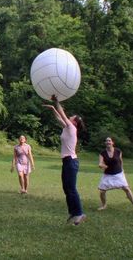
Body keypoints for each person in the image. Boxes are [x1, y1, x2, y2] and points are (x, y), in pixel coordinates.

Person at [43, 95, 86, 225]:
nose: (69, 117)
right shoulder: (67, 128)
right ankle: (73, 213)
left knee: (71, 188)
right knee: (66, 188)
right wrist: (52, 109)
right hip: (67, 162)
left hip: (71, 162)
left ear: (74, 122)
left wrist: (56, 102)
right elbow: (59, 117)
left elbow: (62, 114)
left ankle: (79, 213)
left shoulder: (72, 128)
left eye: (71, 117)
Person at [97, 137, 133, 211]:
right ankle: (104, 205)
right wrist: (102, 165)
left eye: (109, 140)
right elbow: (100, 163)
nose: (108, 142)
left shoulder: (118, 151)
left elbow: (121, 161)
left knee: (126, 189)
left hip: (118, 173)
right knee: (102, 191)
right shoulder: (102, 153)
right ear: (105, 143)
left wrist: (122, 170)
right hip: (108, 174)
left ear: (112, 143)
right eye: (106, 141)